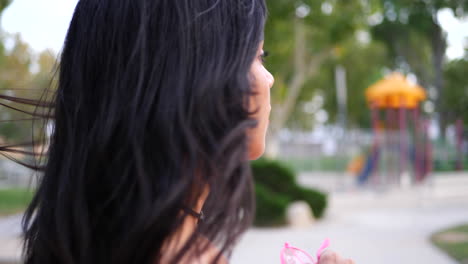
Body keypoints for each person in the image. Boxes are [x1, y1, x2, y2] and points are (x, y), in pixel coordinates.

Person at [14, 0, 354, 263]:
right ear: (192, 80)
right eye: (257, 56)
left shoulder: (113, 237)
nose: (270, 78)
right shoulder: (172, 251)